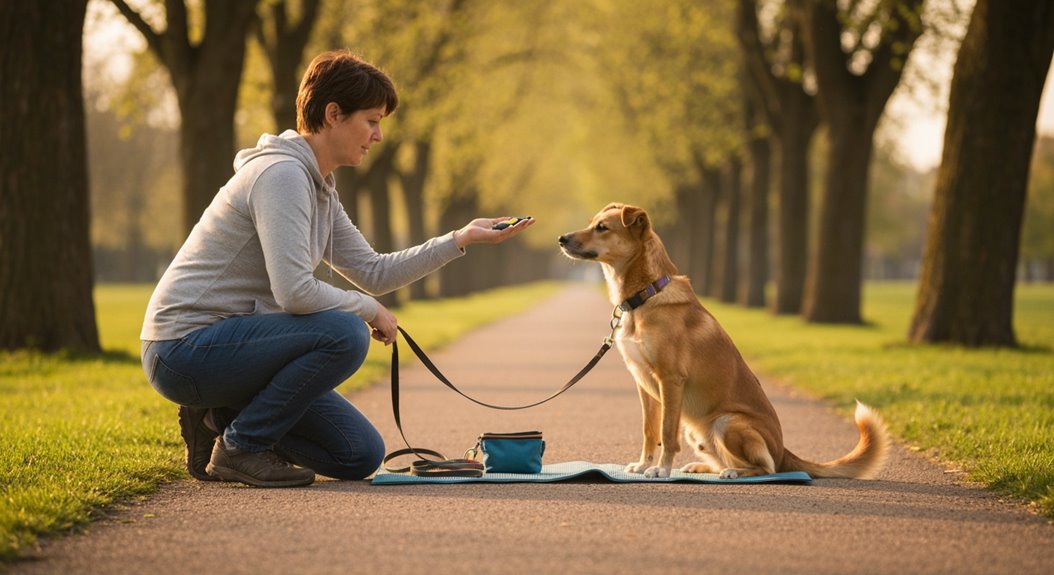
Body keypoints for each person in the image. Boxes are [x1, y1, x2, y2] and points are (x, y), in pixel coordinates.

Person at [139, 50, 533, 488]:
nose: (379, 136)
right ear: (333, 114)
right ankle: (241, 446)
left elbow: (373, 271)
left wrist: (460, 239)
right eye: (372, 120)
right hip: (184, 351)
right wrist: (366, 309)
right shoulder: (281, 176)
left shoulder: (319, 186)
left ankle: (220, 419)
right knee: (343, 333)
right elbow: (294, 291)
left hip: (232, 348)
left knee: (357, 454)